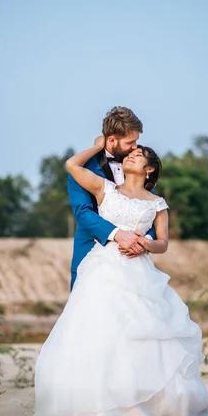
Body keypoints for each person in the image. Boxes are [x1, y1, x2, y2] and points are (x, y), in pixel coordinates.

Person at [33, 133, 208, 416]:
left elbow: (164, 242)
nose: (131, 155)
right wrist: (99, 145)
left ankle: (146, 406)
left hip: (139, 272)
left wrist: (145, 244)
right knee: (101, 333)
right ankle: (99, 408)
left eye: (139, 154)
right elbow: (71, 165)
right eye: (131, 151)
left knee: (143, 333)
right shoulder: (105, 189)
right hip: (102, 270)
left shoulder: (157, 204)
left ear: (150, 169)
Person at [67, 107, 156, 290]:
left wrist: (144, 241)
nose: (135, 147)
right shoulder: (83, 168)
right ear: (112, 140)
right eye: (130, 142)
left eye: (136, 142)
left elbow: (150, 209)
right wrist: (119, 235)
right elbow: (83, 213)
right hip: (92, 255)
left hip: (134, 263)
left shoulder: (138, 166)